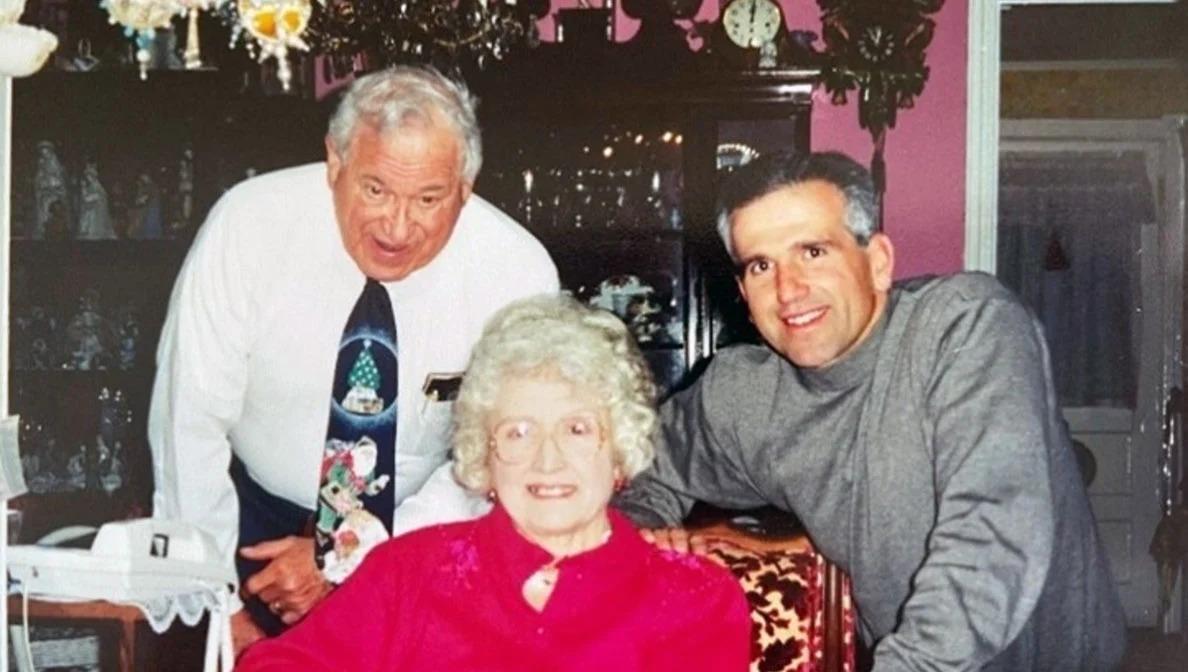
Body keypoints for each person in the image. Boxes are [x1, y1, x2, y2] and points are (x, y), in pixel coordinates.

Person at [616, 151, 1126, 670]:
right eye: (761, 265)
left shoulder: (967, 327)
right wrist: (639, 540)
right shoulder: (742, 394)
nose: (788, 290)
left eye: (813, 252)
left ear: (878, 262)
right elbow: (626, 467)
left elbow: (989, 536)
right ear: (744, 294)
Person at [148, 66, 558, 652]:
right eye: (374, 189)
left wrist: (345, 555)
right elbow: (186, 422)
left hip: (425, 532)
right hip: (247, 534)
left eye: (428, 198)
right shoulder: (248, 225)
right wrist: (222, 609)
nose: (396, 225)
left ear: (465, 189)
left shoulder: (517, 272)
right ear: (334, 164)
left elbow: (501, 457)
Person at [237, 294, 751, 671]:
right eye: (518, 431)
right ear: (484, 454)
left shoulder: (693, 599)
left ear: (619, 451)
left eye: (577, 429)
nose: (547, 460)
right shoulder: (409, 574)